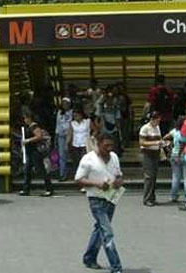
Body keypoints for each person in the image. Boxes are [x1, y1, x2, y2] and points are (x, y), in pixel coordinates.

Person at [74, 134, 124, 273]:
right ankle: (116, 267)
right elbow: (78, 179)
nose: (109, 149)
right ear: (98, 144)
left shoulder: (114, 157)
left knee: (100, 229)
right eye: (106, 146)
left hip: (111, 198)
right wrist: (97, 184)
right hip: (96, 199)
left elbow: (119, 175)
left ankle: (89, 258)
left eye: (111, 146)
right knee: (107, 232)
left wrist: (118, 181)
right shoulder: (88, 159)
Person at [19, 110, 54, 197]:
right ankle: (26, 189)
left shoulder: (34, 126)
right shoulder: (29, 127)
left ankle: (49, 188)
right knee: (27, 170)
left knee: (41, 169)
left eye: (25, 118)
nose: (24, 120)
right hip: (30, 151)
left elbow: (39, 136)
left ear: (29, 118)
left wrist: (28, 140)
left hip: (36, 152)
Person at [139, 111, 163, 206]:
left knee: (154, 176)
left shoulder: (157, 128)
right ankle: (147, 198)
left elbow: (159, 139)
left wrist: (161, 144)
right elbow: (142, 142)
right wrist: (156, 143)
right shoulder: (145, 128)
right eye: (157, 120)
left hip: (156, 152)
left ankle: (152, 197)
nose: (158, 123)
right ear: (152, 120)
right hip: (147, 153)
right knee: (149, 176)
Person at [163, 116, 186, 202]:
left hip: (174, 154)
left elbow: (164, 138)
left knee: (176, 176)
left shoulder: (174, 131)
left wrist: (169, 148)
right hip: (185, 154)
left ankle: (173, 195)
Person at [67, 109, 91, 179]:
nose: (75, 117)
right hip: (75, 144)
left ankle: (86, 176)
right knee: (76, 161)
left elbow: (95, 130)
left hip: (85, 144)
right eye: (74, 116)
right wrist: (67, 143)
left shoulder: (87, 122)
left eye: (77, 115)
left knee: (85, 161)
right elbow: (70, 134)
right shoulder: (72, 123)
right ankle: (79, 177)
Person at [55, 97, 73, 181]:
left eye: (66, 103)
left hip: (72, 135)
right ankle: (63, 174)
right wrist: (56, 135)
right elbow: (57, 124)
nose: (64, 105)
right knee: (62, 155)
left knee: (73, 154)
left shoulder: (72, 112)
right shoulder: (59, 113)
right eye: (63, 103)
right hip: (61, 135)